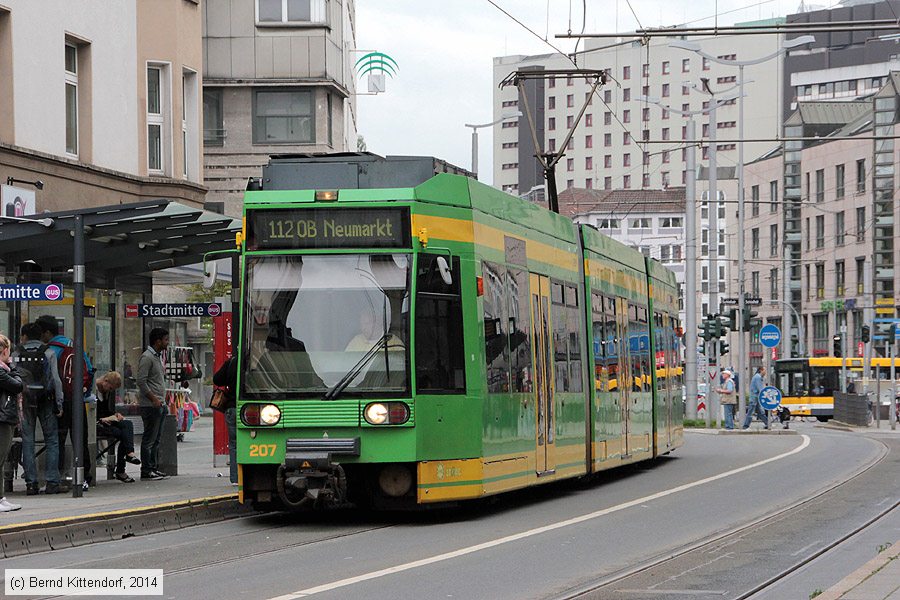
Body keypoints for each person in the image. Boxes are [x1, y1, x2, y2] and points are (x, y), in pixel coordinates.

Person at [35, 315, 92, 491]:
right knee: (80, 439)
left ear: (47, 332)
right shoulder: (74, 345)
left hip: (58, 401)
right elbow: (89, 370)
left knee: (57, 439)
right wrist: (84, 394)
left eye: (41, 333)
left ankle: (56, 477)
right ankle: (84, 477)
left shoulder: (50, 349)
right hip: (77, 399)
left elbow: (48, 377)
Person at [12, 322, 62, 495]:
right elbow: (55, 380)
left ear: (24, 336)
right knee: (52, 440)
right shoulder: (48, 352)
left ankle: (31, 483)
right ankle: (52, 482)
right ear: (40, 336)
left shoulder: (17, 353)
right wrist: (59, 403)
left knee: (28, 440)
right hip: (46, 400)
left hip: (25, 400)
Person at [95, 371, 140, 482]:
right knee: (123, 434)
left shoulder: (106, 392)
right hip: (96, 423)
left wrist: (114, 415)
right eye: (110, 388)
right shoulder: (93, 390)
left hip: (106, 421)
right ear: (105, 381)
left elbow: (106, 410)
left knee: (127, 424)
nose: (110, 391)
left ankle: (130, 453)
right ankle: (121, 469)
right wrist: (102, 419)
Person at [137, 328, 169, 480]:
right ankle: (146, 470)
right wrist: (153, 398)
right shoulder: (147, 357)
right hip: (151, 406)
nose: (167, 343)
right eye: (165, 340)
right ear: (158, 341)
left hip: (160, 404)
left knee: (156, 439)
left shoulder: (157, 357)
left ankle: (154, 467)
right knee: (149, 439)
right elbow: (141, 381)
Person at [0, 334, 24, 512]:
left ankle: (1, 497)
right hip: (2, 418)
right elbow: (17, 385)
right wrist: (13, 367)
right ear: (5, 350)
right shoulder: (2, 371)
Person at [213, 355, 238, 485]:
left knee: (234, 444)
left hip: (231, 407)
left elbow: (217, 379)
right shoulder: (254, 362)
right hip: (249, 408)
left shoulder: (232, 362)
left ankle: (235, 478)